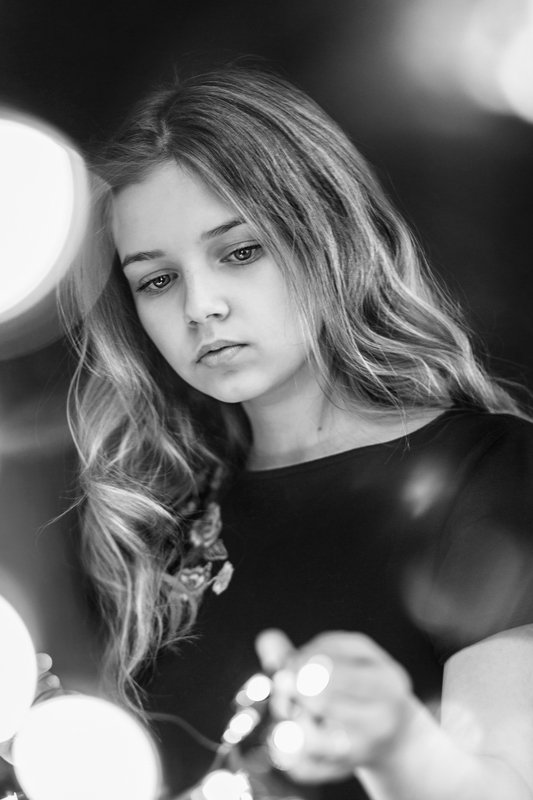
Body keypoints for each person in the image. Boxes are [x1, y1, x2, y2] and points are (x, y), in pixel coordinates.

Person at [62, 66, 533, 799]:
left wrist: (398, 745)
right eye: (157, 279)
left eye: (240, 251)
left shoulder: (494, 473)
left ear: (325, 233)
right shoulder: (142, 521)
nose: (200, 306)